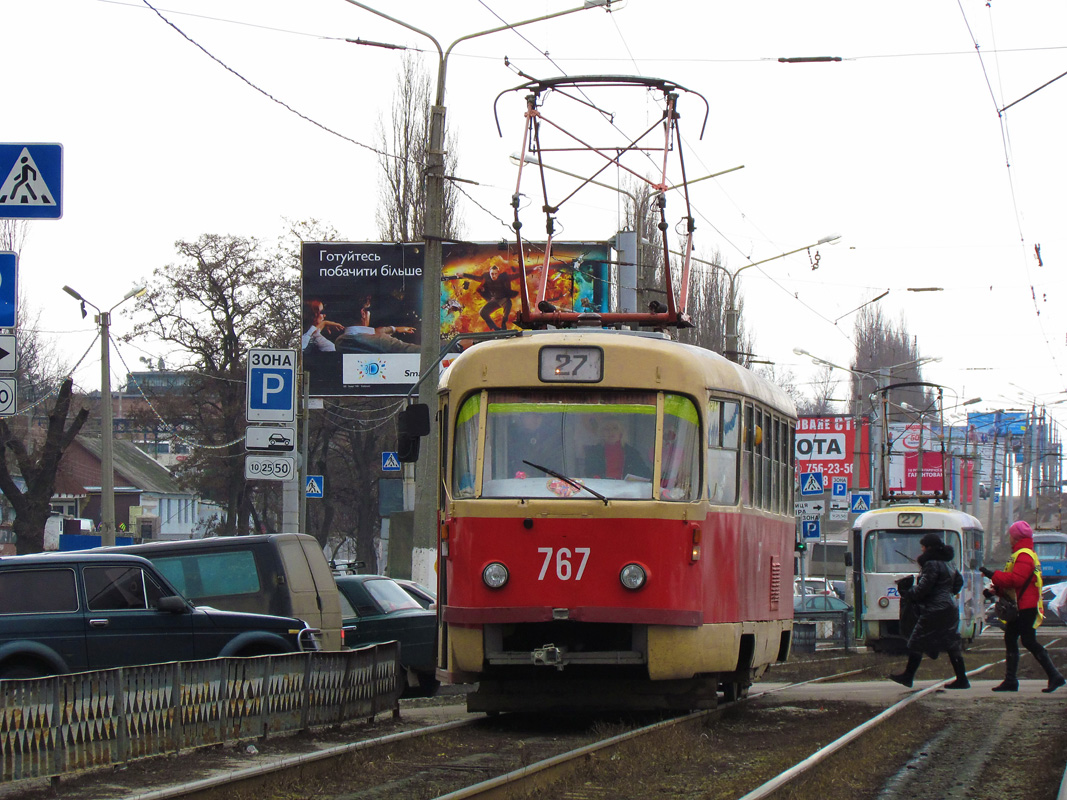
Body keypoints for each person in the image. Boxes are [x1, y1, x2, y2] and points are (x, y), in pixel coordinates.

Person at [980, 520, 1066, 693]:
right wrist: (995, 590)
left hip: (1024, 605)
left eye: (1011, 535)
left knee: (1026, 640)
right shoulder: (1024, 554)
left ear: (1016, 537)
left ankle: (1053, 676)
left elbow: (1016, 580)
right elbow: (1016, 581)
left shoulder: (1023, 555)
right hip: (1023, 604)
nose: (1009, 538)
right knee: (1014, 638)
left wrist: (992, 575)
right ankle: (1013, 680)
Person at [888, 533, 970, 690]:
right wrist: (947, 594)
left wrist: (907, 592)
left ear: (929, 548)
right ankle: (962, 678)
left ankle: (908, 676)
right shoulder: (949, 563)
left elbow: (923, 589)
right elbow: (958, 582)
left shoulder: (931, 564)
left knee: (916, 641)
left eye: (923, 546)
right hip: (950, 608)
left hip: (935, 609)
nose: (922, 549)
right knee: (952, 643)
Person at [333, 297, 419, 354]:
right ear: (363, 313)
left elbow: (368, 333)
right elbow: (413, 350)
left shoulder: (339, 341)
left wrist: (394, 329)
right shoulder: (382, 340)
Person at [454, 264, 521, 330]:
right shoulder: (486, 278)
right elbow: (475, 277)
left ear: (498, 273)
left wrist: (530, 270)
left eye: (495, 274)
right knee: (482, 312)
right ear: (489, 273)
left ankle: (504, 327)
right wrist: (463, 275)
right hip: (495, 300)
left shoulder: (504, 277)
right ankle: (495, 328)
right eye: (492, 274)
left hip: (505, 300)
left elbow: (517, 275)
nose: (494, 276)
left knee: (506, 315)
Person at [583, 418, 651, 480]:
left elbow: (644, 474)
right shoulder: (594, 453)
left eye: (615, 428)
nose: (611, 432)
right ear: (602, 433)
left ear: (621, 432)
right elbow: (590, 473)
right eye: (606, 429)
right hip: (601, 489)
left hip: (626, 490)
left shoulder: (632, 453)